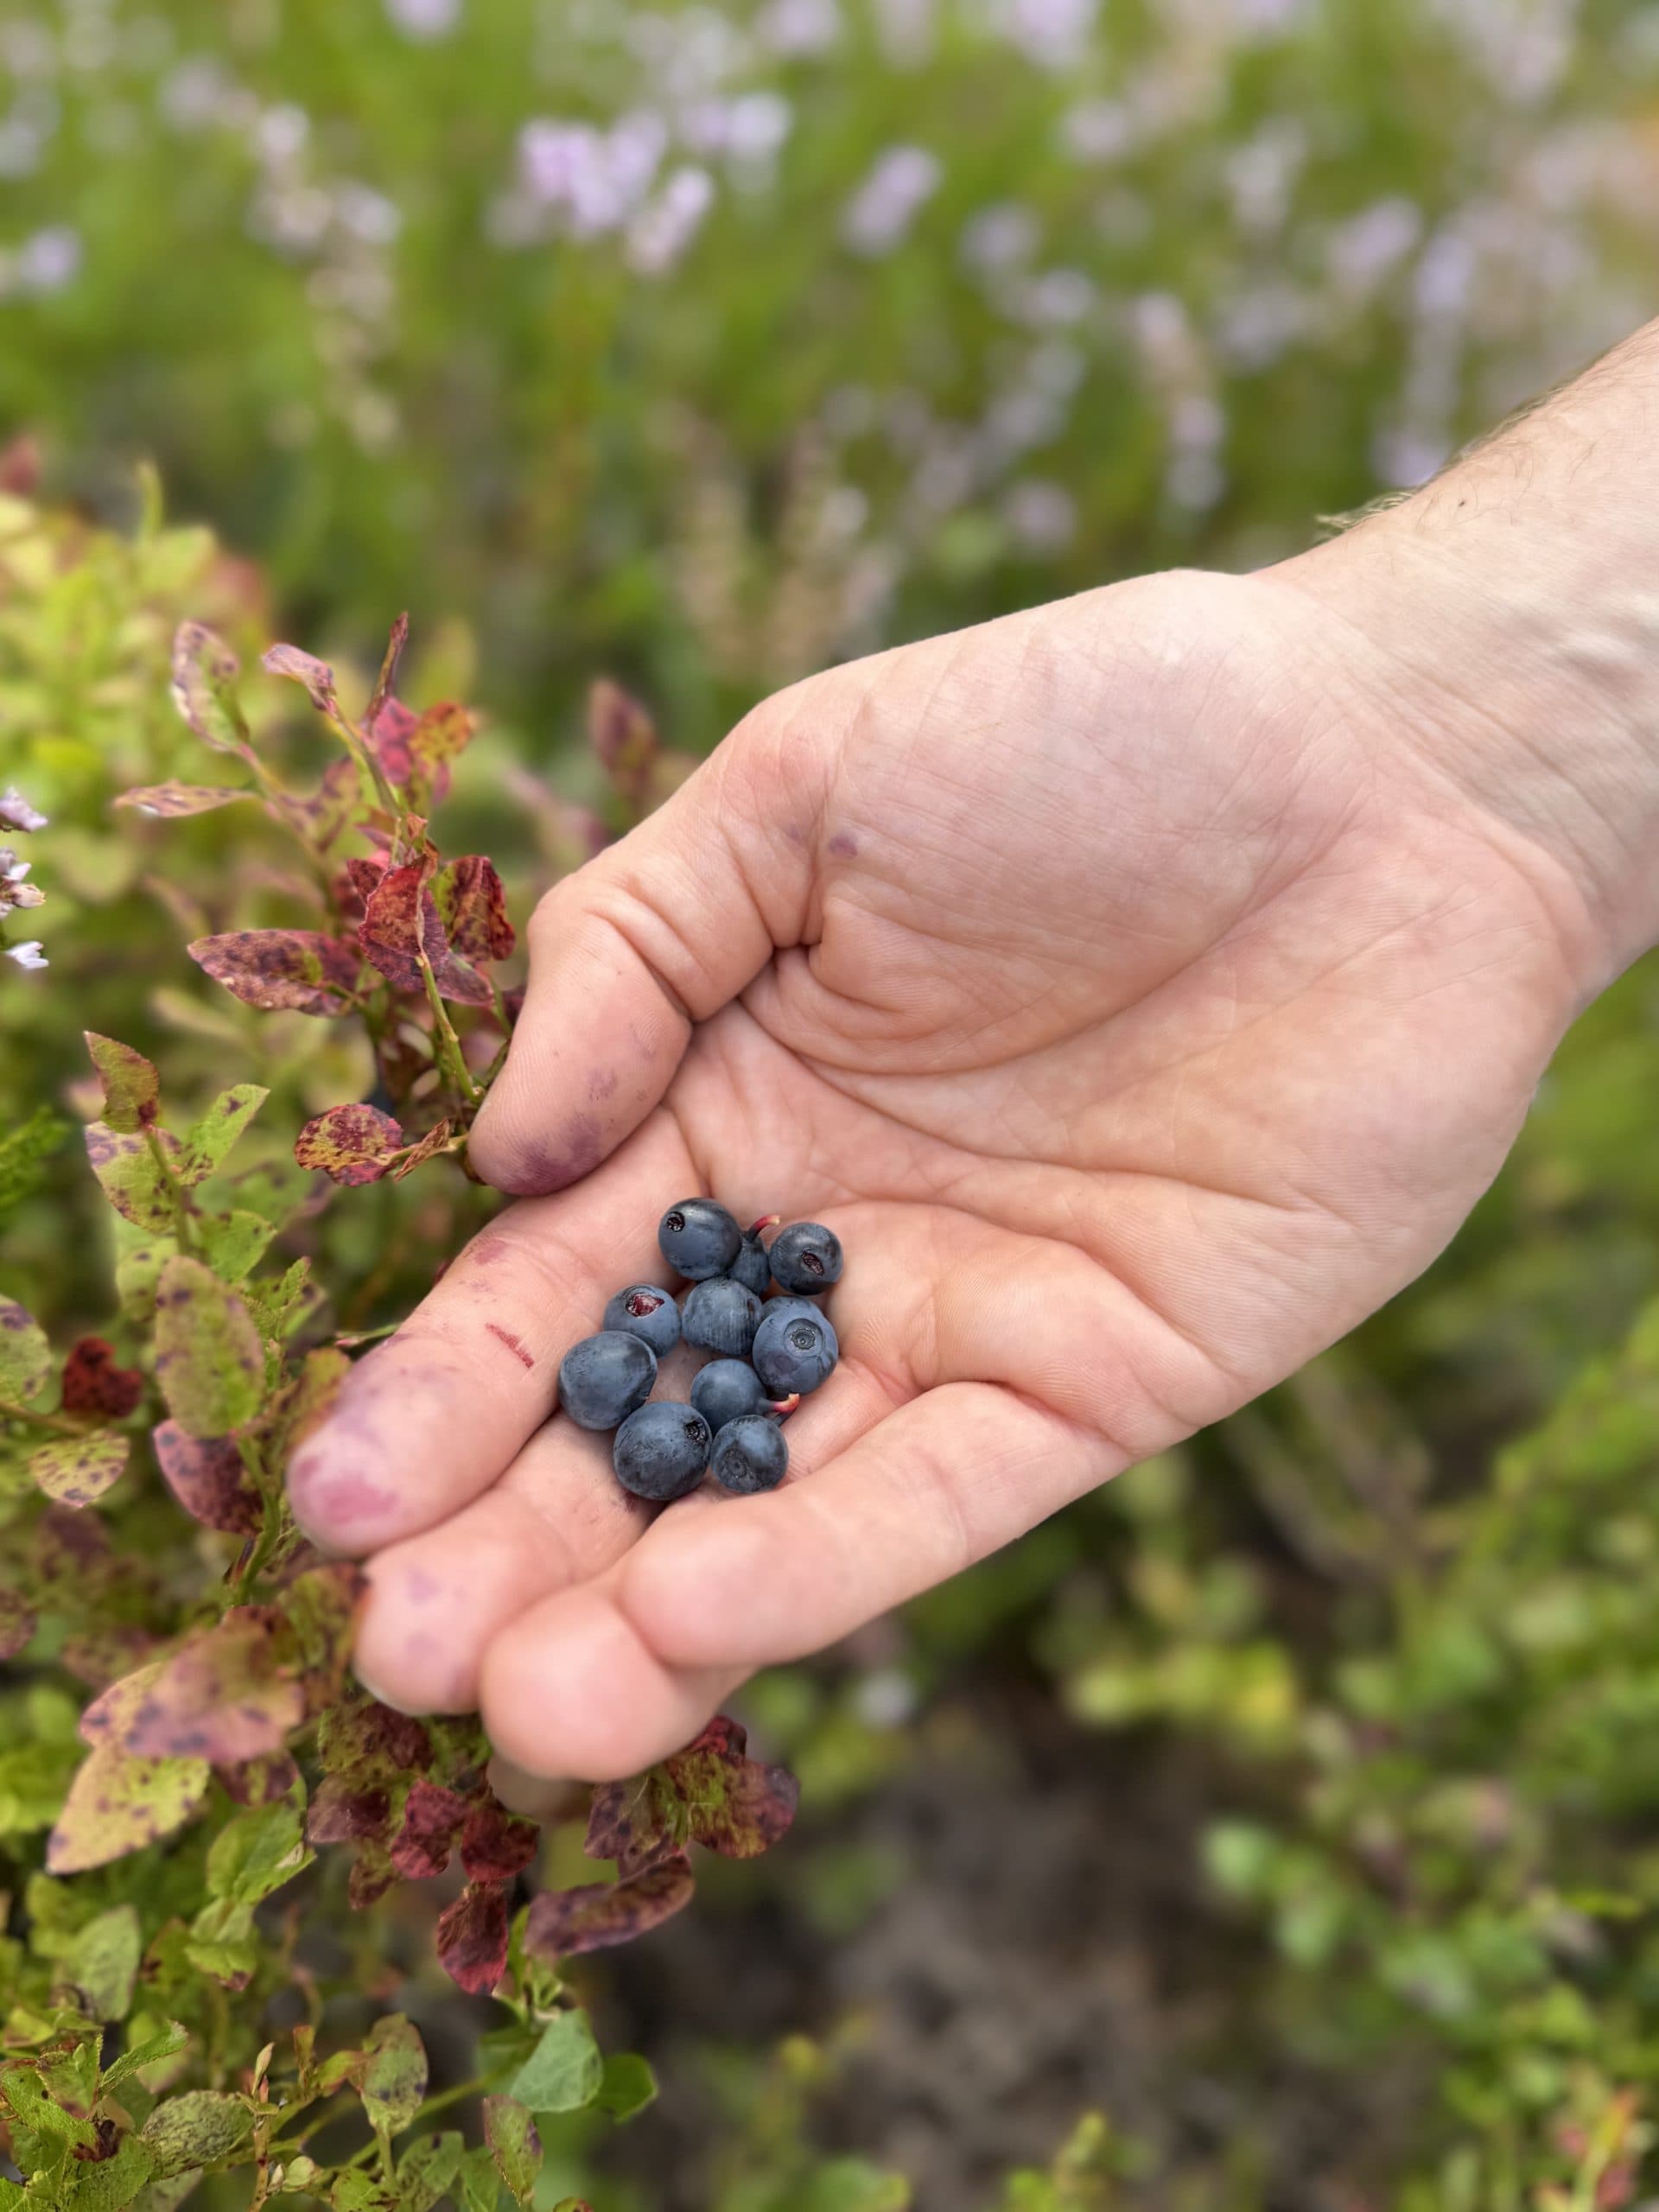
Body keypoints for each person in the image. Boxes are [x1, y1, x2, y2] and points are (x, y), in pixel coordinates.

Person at [289, 317, 1659, 1808]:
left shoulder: (721, 1332)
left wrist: (1459, 751)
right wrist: (1453, 731)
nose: (737, 1345)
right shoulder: (721, 1332)